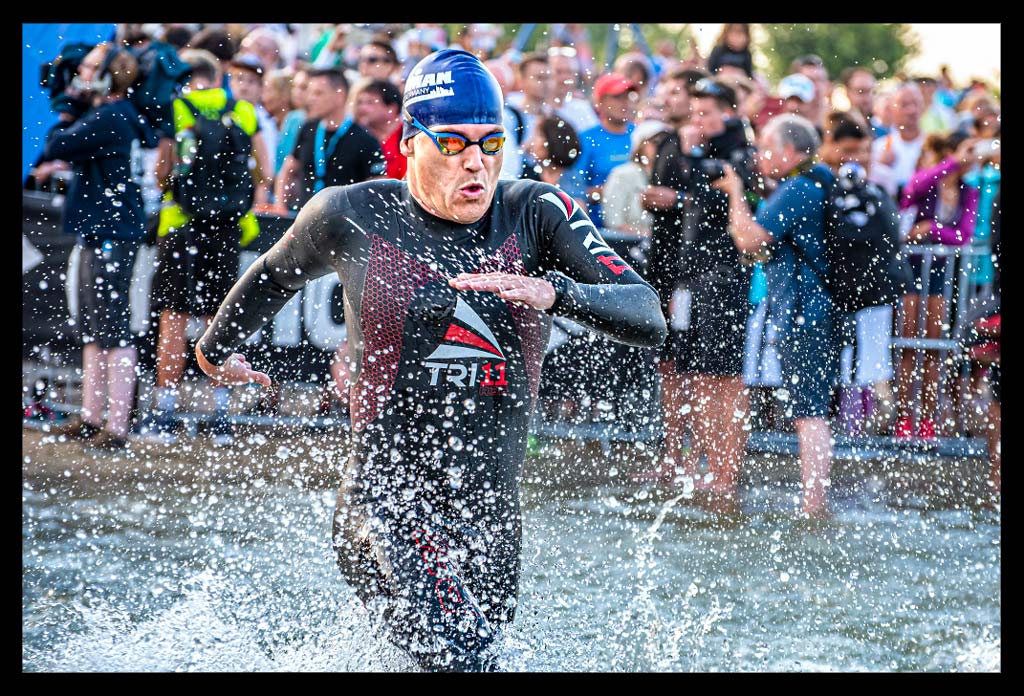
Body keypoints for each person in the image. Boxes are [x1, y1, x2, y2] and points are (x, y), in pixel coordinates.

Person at [193, 48, 666, 671]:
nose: (476, 162)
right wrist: (213, 352)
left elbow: (647, 314)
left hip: (489, 508)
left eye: (491, 142)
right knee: (457, 658)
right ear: (410, 142)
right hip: (384, 497)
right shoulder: (350, 213)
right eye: (452, 143)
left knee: (474, 659)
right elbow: (272, 276)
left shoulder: (536, 212)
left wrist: (559, 293)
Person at [633, 78, 761, 516]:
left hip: (724, 277)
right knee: (696, 370)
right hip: (690, 276)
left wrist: (686, 166)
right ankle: (707, 465)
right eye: (696, 112)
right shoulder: (692, 148)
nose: (698, 119)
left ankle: (725, 472)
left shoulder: (737, 154)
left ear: (727, 112)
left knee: (721, 377)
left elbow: (718, 203)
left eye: (706, 112)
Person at [138, 48, 273, 445]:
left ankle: (165, 412)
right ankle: (220, 416)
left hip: (181, 226)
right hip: (227, 229)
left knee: (174, 318)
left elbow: (163, 171)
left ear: (186, 76)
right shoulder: (244, 112)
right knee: (220, 319)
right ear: (220, 77)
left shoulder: (177, 107)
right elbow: (265, 168)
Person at [713, 114, 837, 518]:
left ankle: (813, 507)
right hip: (822, 310)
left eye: (766, 146)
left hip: (805, 313)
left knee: (809, 413)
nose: (759, 156)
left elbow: (748, 240)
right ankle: (814, 502)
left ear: (788, 151)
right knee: (812, 409)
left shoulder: (798, 188)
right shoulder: (823, 181)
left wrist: (735, 193)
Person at [44, 42, 160, 451]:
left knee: (113, 325)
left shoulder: (111, 116)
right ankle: (94, 417)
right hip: (105, 229)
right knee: (95, 327)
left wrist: (68, 110)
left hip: (114, 231)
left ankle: (117, 425)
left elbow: (56, 144)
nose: (82, 74)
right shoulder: (114, 114)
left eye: (93, 67)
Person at [895, 133, 983, 438]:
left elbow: (965, 235)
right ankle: (905, 418)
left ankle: (929, 418)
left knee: (933, 350)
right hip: (911, 270)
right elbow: (912, 188)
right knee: (908, 347)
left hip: (940, 276)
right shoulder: (924, 185)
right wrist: (952, 162)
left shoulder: (967, 191)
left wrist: (933, 229)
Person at [274, 68, 386, 212]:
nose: (310, 99)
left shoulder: (365, 138)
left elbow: (378, 185)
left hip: (345, 224)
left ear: (340, 95)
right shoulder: (308, 129)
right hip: (305, 217)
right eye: (310, 92)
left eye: (318, 93)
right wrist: (280, 206)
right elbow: (287, 170)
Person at [572, 73, 640, 227]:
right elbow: (574, 190)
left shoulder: (641, 135)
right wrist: (612, 191)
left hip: (637, 227)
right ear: (600, 102)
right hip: (600, 229)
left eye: (629, 97)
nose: (625, 103)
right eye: (617, 97)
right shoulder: (586, 140)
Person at [601, 119, 670, 237]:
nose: (663, 147)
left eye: (667, 142)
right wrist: (651, 236)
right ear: (641, 144)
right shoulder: (623, 174)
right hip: (627, 246)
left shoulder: (674, 176)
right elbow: (613, 222)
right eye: (656, 142)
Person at [868, 83, 925, 200]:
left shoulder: (934, 145)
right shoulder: (880, 147)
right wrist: (881, 168)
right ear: (891, 110)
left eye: (916, 103)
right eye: (904, 105)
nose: (911, 110)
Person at [352, 78, 406, 180]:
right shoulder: (356, 140)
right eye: (359, 102)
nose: (362, 108)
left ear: (391, 108)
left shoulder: (408, 138)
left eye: (370, 103)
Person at [839, 66, 887, 138]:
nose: (867, 98)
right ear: (847, 92)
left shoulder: (882, 132)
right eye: (861, 91)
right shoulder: (839, 130)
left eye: (872, 92)